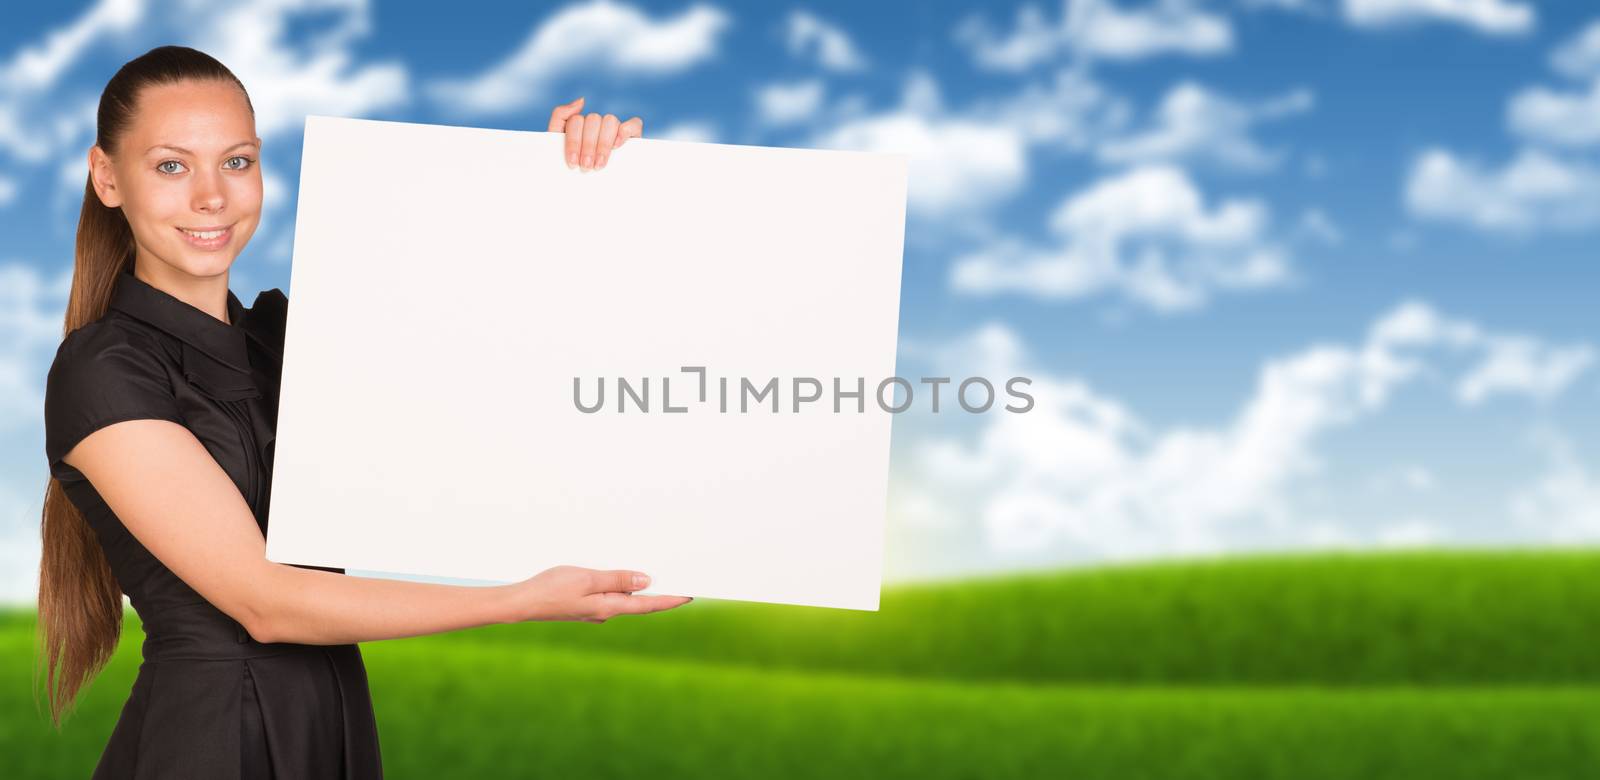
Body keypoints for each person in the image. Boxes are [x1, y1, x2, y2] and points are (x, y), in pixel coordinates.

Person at [35, 44, 690, 779]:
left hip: (333, 718)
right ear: (106, 177)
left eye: (238, 161)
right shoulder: (104, 369)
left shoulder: (287, 336)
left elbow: (473, 337)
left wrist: (561, 185)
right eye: (171, 166)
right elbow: (265, 603)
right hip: (216, 737)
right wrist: (518, 600)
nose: (212, 197)